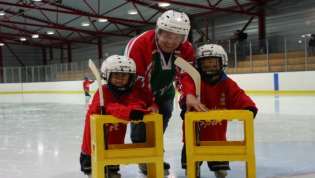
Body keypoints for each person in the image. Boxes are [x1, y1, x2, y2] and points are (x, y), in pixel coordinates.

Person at [124, 9, 206, 175]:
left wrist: (189, 94)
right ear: (158, 31)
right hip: (138, 91)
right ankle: (144, 157)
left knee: (161, 122)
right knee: (141, 123)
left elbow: (186, 74)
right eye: (167, 35)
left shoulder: (186, 48)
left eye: (177, 37)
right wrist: (149, 103)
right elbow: (135, 80)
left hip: (164, 91)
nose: (171, 42)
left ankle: (154, 155)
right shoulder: (140, 45)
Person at [179, 44, 258, 178]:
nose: (210, 67)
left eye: (214, 64)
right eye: (206, 64)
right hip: (193, 138)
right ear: (198, 65)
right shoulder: (194, 81)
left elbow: (238, 96)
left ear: (222, 62)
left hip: (217, 138)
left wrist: (249, 107)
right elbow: (186, 91)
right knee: (191, 170)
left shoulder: (227, 84)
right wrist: (184, 103)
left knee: (221, 172)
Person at [79, 55, 157, 178]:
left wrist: (145, 107)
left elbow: (137, 102)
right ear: (107, 75)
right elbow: (109, 106)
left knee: (112, 166)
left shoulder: (131, 92)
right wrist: (129, 113)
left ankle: (113, 171)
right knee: (96, 169)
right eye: (116, 75)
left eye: (124, 76)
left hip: (114, 141)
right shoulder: (103, 91)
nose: (120, 79)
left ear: (130, 77)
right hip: (94, 141)